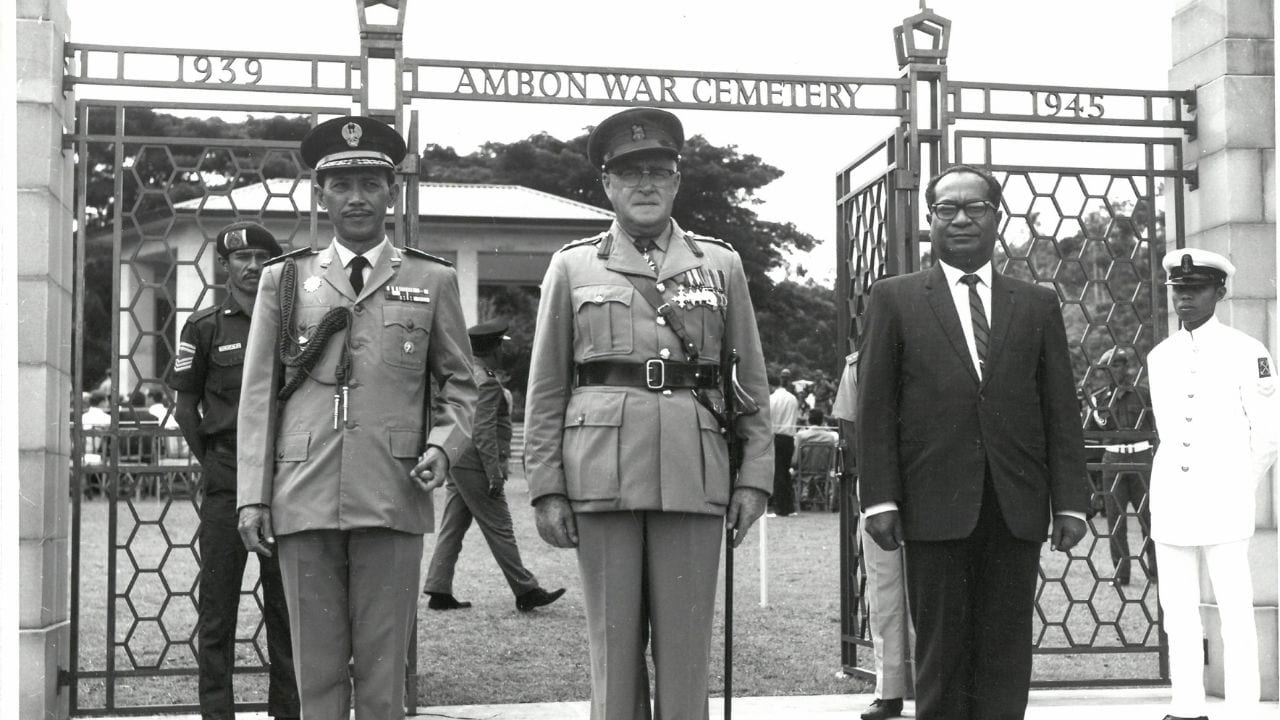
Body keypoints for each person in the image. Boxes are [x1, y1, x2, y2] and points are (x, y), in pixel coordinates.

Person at [523, 106, 773, 720]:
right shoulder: (574, 265)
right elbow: (547, 385)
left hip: (694, 470)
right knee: (612, 645)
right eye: (629, 173)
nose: (645, 185)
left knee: (687, 648)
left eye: (659, 171)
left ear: (677, 180)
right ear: (607, 184)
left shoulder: (721, 264)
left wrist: (755, 478)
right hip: (601, 474)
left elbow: (750, 384)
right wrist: (545, 488)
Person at [235, 116, 476, 720]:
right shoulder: (283, 280)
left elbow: (460, 384)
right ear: (321, 194)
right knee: (313, 668)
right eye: (342, 186)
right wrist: (251, 497)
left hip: (393, 487)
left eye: (371, 183)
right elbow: (259, 394)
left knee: (382, 666)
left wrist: (444, 447)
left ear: (391, 192)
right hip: (302, 489)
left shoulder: (432, 278)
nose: (357, 198)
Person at [856, 164, 1090, 720]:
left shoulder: (1036, 303)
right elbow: (875, 409)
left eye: (975, 208)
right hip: (932, 504)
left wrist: (1072, 501)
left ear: (996, 216)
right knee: (940, 652)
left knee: (1007, 652)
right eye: (947, 210)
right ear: (930, 220)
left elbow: (1060, 410)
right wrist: (881, 499)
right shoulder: (896, 299)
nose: (961, 219)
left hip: (1015, 505)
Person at [168, 221, 299, 720]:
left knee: (285, 606)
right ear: (224, 267)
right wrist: (220, 463)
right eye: (240, 259)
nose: (251, 268)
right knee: (218, 608)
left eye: (261, 259)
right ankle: (216, 714)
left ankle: (288, 711)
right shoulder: (204, 328)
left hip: (286, 470)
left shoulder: (292, 326)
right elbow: (185, 409)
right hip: (226, 471)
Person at [1147, 248, 1276, 720]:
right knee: (1177, 612)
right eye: (1179, 290)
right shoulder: (1159, 356)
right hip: (1172, 501)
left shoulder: (1247, 351)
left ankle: (1243, 709)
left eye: (1196, 289)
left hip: (1225, 500)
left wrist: (1238, 485)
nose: (1185, 298)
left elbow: (1267, 434)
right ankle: (1186, 707)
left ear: (1219, 292)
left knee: (1234, 612)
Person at [423, 319, 565, 612]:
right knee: (500, 526)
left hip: (459, 458)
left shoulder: (468, 373)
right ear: (492, 348)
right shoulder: (486, 381)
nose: (503, 350)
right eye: (501, 345)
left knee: (453, 525)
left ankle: (438, 589)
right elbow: (483, 430)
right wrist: (494, 473)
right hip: (476, 462)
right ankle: (526, 590)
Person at [831, 350, 911, 720]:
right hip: (881, 486)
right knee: (883, 588)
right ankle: (889, 689)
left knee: (941, 587)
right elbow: (849, 428)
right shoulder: (859, 364)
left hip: (935, 478)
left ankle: (938, 684)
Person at [1086, 345, 1157, 585]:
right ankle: (1121, 573)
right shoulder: (1099, 399)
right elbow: (1095, 431)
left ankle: (1156, 571)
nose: (1115, 370)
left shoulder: (1144, 394)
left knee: (1149, 518)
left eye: (1119, 364)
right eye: (1110, 366)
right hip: (1113, 461)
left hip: (1141, 459)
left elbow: (1155, 427)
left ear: (1127, 367)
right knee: (1116, 520)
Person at [790, 408, 839, 510]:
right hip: (823, 472)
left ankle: (800, 499)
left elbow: (795, 460)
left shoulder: (801, 436)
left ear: (808, 420)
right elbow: (833, 462)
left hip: (803, 472)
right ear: (822, 421)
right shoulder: (830, 438)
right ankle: (817, 498)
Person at [769, 373, 800, 517]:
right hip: (789, 438)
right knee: (785, 473)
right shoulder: (793, 398)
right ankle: (789, 507)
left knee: (778, 473)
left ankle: (780, 508)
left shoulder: (772, 399)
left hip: (777, 437)